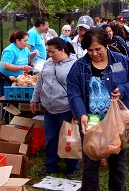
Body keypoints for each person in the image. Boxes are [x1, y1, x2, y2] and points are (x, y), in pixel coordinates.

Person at [66, 28, 129, 191]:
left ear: (106, 45)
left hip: (116, 119)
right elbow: (73, 92)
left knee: (118, 162)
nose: (94, 54)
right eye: (90, 50)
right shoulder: (79, 66)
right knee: (90, 161)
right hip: (92, 119)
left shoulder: (120, 61)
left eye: (98, 49)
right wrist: (82, 114)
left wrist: (123, 88)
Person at [30, 38, 79, 179]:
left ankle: (72, 167)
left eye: (52, 51)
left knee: (69, 138)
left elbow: (77, 88)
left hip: (66, 108)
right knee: (51, 138)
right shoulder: (48, 62)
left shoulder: (73, 65)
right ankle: (51, 166)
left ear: (62, 50)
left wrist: (77, 109)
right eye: (48, 51)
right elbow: (40, 81)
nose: (49, 54)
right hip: (49, 108)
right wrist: (35, 99)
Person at [0, 31, 38, 123]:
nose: (26, 43)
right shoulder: (10, 50)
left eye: (27, 41)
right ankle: (5, 124)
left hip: (17, 79)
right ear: (17, 40)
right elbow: (5, 65)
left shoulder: (25, 49)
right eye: (25, 41)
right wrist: (22, 67)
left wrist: (34, 55)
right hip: (4, 78)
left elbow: (29, 59)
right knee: (7, 103)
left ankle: (14, 123)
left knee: (15, 102)